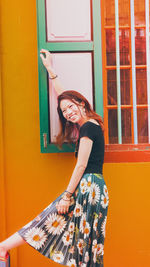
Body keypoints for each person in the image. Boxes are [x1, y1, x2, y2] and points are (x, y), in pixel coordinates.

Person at [0, 49, 109, 266]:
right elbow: (65, 96)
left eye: (71, 107)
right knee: (79, 239)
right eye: (64, 111)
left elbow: (81, 165)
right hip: (92, 187)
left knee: (72, 235)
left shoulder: (87, 127)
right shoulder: (88, 122)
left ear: (82, 103)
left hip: (88, 187)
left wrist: (67, 196)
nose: (68, 112)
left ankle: (3, 247)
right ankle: (4, 247)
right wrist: (51, 70)